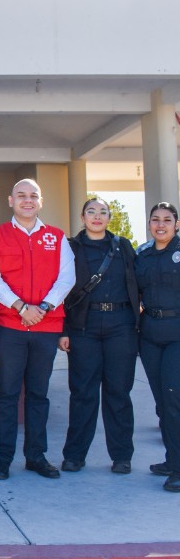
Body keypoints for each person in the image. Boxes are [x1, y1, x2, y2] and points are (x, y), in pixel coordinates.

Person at [0, 179, 75, 480]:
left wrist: (43, 308)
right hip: (9, 328)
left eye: (33, 196)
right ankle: (2, 459)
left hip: (46, 328)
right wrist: (21, 307)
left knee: (38, 395)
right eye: (21, 196)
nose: (27, 200)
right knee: (7, 395)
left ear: (41, 201)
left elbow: (67, 277)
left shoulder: (57, 237)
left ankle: (36, 456)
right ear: (11, 200)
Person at [58, 198, 139, 475]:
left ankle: (121, 456)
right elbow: (62, 290)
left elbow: (138, 283)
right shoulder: (70, 247)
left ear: (109, 217)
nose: (97, 216)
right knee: (83, 393)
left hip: (121, 326)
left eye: (102, 212)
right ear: (82, 217)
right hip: (84, 327)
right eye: (91, 211)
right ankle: (75, 455)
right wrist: (64, 330)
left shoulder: (123, 246)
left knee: (118, 393)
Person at [135, 201, 180, 493]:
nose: (160, 224)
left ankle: (178, 468)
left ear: (176, 224)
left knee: (174, 399)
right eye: (155, 219)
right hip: (150, 334)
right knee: (163, 404)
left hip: (177, 334)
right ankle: (171, 458)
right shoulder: (143, 254)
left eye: (167, 219)